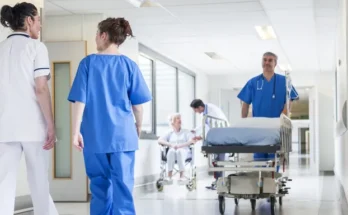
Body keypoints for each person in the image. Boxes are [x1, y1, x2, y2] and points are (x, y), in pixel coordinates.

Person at [67, 17, 152, 215]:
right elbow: (138, 106)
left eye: (97, 35)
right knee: (123, 188)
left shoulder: (88, 63)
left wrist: (75, 132)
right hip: (123, 137)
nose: (96, 39)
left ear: (104, 35)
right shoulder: (129, 65)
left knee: (99, 187)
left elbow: (80, 101)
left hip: (94, 137)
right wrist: (138, 126)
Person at [0, 3, 59, 215]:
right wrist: (51, 124)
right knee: (39, 182)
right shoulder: (36, 47)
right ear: (29, 21)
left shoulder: (1, 48)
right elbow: (41, 88)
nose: (40, 25)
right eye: (39, 19)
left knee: (3, 185)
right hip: (33, 125)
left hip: (5, 126)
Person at [237, 51, 299, 162]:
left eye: (270, 60)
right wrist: (244, 123)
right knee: (259, 160)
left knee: (274, 161)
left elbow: (289, 101)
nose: (267, 62)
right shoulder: (253, 82)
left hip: (276, 127)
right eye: (264, 59)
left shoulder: (284, 81)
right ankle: (261, 178)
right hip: (258, 127)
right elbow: (245, 104)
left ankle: (272, 179)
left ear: (275, 64)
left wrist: (282, 119)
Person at [190, 99, 228, 190]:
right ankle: (217, 182)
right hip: (217, 137)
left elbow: (211, 126)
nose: (196, 112)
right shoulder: (206, 112)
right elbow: (206, 124)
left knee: (219, 161)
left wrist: (202, 136)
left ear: (199, 107)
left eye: (195, 110)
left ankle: (220, 182)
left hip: (221, 136)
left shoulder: (211, 111)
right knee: (216, 161)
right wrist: (196, 131)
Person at [158, 113, 198, 183]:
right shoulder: (169, 132)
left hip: (185, 152)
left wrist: (180, 146)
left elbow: (192, 141)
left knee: (179, 151)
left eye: (180, 118)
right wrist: (170, 144)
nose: (180, 120)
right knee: (171, 151)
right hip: (172, 153)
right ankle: (169, 176)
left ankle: (182, 176)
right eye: (177, 118)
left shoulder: (186, 132)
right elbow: (159, 140)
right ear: (172, 121)